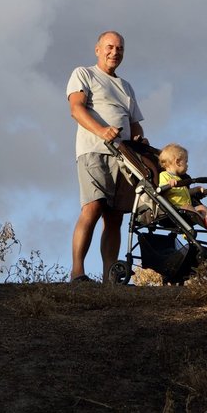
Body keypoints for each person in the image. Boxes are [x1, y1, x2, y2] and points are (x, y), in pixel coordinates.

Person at [67, 30, 145, 283]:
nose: (115, 52)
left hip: (123, 157)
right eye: (110, 47)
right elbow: (76, 109)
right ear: (98, 49)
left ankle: (109, 278)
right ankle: (77, 272)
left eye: (119, 48)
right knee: (93, 207)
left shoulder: (126, 86)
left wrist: (139, 140)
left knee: (115, 216)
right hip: (94, 151)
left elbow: (135, 123)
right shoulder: (84, 74)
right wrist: (102, 131)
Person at [157, 143, 207, 232]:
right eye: (186, 161)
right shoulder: (164, 175)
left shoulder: (179, 179)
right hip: (177, 208)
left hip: (188, 208)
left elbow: (185, 192)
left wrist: (196, 189)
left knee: (202, 207)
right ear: (177, 162)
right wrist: (169, 184)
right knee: (190, 208)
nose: (187, 165)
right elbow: (161, 189)